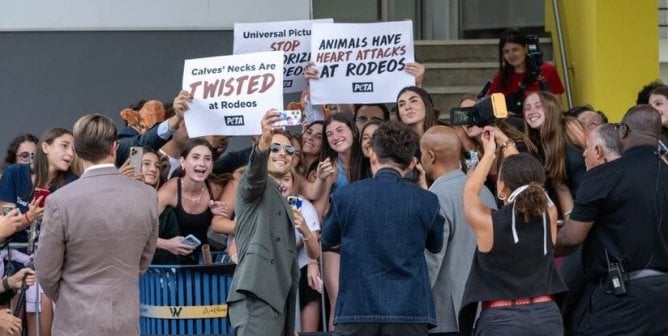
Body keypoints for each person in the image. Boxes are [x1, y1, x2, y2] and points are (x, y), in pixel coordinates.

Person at [34, 114, 158, 335]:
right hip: (124, 318)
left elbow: (45, 270)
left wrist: (70, 296)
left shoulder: (60, 201)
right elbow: (143, 260)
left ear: (78, 151)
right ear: (114, 147)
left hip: (76, 320)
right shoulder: (147, 196)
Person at [321, 121, 444, 336]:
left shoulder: (345, 196)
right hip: (409, 310)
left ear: (373, 156)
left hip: (356, 309)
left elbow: (328, 239)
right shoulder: (427, 200)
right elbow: (436, 245)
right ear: (411, 164)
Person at [556, 105, 668, 335]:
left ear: (623, 132)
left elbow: (571, 238)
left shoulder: (604, 175)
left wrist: (537, 248)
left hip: (621, 300)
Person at [460, 133, 566, 335]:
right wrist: (506, 142)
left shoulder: (488, 222)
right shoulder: (550, 215)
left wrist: (490, 153)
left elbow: (470, 193)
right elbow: (525, 175)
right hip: (547, 316)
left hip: (501, 320)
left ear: (501, 186)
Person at [227, 109, 310, 336]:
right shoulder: (253, 186)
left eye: (289, 150)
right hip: (257, 296)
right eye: (275, 148)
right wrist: (264, 141)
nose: (282, 153)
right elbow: (254, 175)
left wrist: (288, 320)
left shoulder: (281, 198)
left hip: (277, 303)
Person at [0, 127, 78, 336]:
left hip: (46, 261)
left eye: (73, 148)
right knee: (10, 324)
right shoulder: (15, 173)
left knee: (43, 324)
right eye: (64, 146)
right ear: (45, 147)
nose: (70, 153)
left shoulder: (72, 182)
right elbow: (6, 222)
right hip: (9, 259)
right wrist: (30, 217)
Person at [420, 126, 496, 336]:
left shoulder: (436, 197)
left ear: (430, 156)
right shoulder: (485, 191)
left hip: (447, 313)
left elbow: (431, 259)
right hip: (485, 306)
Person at [157, 138, 230, 263]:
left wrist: (215, 215)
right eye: (195, 157)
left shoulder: (215, 189)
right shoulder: (171, 189)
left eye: (207, 159)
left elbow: (227, 233)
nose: (202, 163)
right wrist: (167, 244)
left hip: (202, 265)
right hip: (170, 266)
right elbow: (139, 231)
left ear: (212, 166)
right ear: (183, 162)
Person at [277, 169, 322, 332]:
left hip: (300, 268)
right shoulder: (260, 206)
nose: (281, 183)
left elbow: (314, 248)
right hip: (272, 271)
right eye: (276, 179)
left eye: (286, 179)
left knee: (311, 282)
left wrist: (303, 228)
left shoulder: (303, 206)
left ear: (293, 183)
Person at [489, 28, 564, 114]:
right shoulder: (500, 78)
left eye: (515, 49)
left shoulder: (547, 70)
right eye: (506, 51)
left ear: (525, 49)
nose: (511, 55)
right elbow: (497, 112)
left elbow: (557, 107)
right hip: (513, 125)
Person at [115, 91, 191, 167]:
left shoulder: (158, 157)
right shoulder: (125, 145)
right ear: (132, 121)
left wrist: (162, 174)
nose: (152, 127)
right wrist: (176, 119)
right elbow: (139, 148)